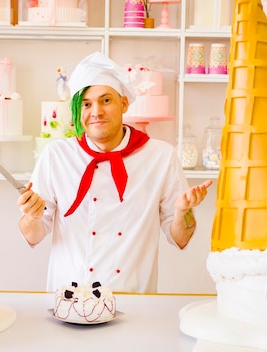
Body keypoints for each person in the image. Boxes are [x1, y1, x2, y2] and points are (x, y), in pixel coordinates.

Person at [18, 52, 213, 293]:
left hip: (131, 302)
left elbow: (181, 237)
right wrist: (31, 216)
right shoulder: (56, 156)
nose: (96, 111)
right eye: (87, 104)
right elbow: (34, 235)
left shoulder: (160, 157)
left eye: (106, 101)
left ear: (123, 104)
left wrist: (184, 212)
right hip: (68, 301)